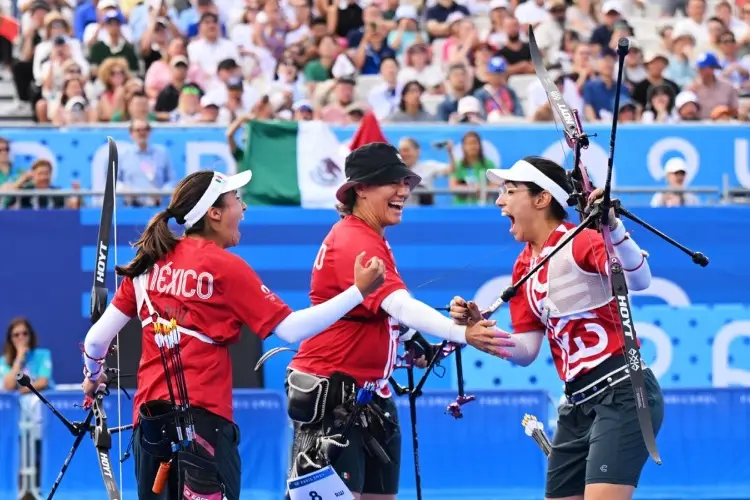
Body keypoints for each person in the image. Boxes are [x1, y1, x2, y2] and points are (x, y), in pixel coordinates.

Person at [79, 170, 387, 500]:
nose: (244, 208)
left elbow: (96, 340)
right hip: (204, 427)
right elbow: (291, 329)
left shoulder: (147, 264)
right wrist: (358, 292)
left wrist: (93, 376)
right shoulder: (225, 267)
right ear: (214, 214)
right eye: (236, 201)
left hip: (149, 429)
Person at [286, 142, 515, 500]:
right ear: (360, 189)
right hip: (333, 400)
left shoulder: (370, 236)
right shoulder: (353, 238)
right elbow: (401, 304)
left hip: (371, 397)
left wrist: (410, 339)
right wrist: (463, 333)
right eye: (391, 181)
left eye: (406, 181)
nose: (404, 190)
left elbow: (387, 312)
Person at [449, 156, 664, 500]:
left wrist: (613, 228)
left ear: (541, 198)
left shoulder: (580, 241)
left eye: (509, 191)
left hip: (623, 394)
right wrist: (481, 333)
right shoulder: (524, 264)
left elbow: (639, 279)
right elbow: (526, 352)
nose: (499, 201)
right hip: (576, 404)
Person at [1, 317, 54, 392]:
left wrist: (21, 392)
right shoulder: (3, 361)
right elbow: (8, 386)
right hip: (16, 403)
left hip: (40, 400)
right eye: (16, 335)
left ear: (30, 336)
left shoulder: (43, 355)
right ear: (10, 339)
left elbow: (43, 382)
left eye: (25, 333)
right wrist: (19, 357)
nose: (21, 337)